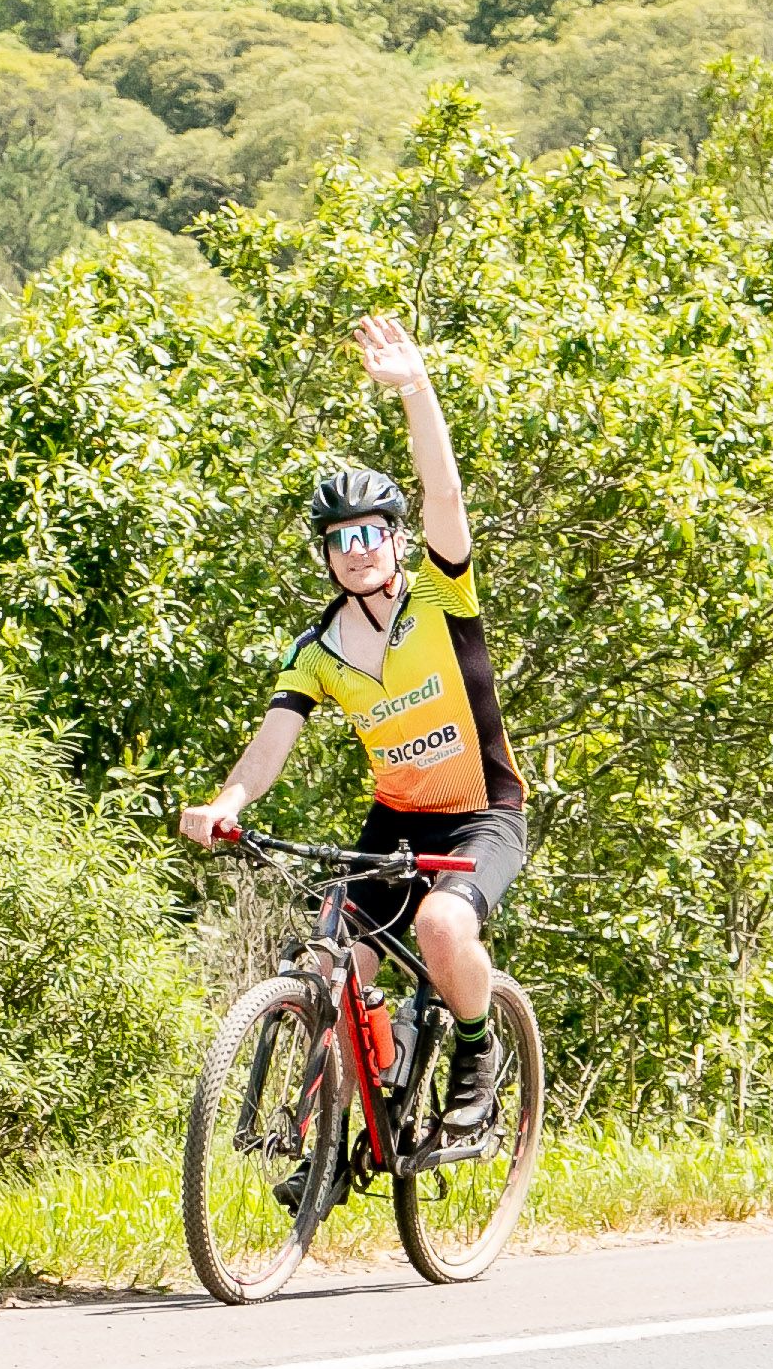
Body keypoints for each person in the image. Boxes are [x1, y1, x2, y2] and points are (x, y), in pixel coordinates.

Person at [177, 312, 524, 1136]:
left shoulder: (441, 596)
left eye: (372, 534)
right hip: (395, 823)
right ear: (326, 556)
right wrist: (227, 803)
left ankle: (476, 1052)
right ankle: (332, 1140)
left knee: (442, 923)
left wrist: (416, 388)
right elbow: (270, 743)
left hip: (481, 813)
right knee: (329, 963)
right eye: (341, 540)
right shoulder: (318, 649)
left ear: (396, 541)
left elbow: (444, 492)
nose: (358, 550)